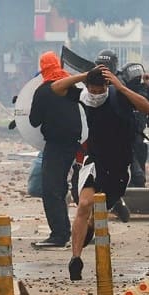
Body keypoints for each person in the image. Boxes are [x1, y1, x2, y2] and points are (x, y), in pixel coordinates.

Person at [51, 65, 149, 280]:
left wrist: (120, 87)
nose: (96, 95)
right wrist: (85, 75)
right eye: (92, 90)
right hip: (92, 160)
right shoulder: (82, 96)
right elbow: (57, 87)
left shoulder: (118, 97)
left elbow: (146, 108)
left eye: (100, 91)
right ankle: (75, 259)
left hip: (118, 164)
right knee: (84, 204)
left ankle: (94, 223)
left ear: (107, 86)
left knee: (99, 207)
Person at [28, 51, 82, 248]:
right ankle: (81, 230)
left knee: (51, 189)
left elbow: (34, 121)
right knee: (68, 188)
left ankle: (59, 235)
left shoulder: (43, 91)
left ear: (43, 69)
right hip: (76, 144)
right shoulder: (72, 87)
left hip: (57, 145)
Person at [93, 49, 131, 221]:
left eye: (106, 68)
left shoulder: (121, 85)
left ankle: (115, 203)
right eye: (100, 67)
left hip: (119, 145)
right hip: (95, 148)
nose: (103, 72)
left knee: (117, 184)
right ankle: (94, 228)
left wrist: (120, 87)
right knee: (91, 191)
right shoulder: (90, 84)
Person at [119, 62, 148, 187]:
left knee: (139, 179)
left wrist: (146, 86)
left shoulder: (143, 92)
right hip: (125, 139)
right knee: (137, 175)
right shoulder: (122, 92)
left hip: (139, 139)